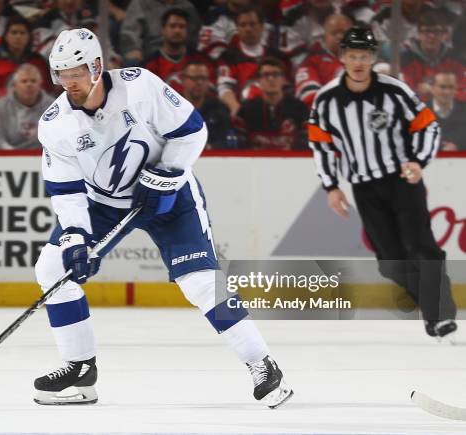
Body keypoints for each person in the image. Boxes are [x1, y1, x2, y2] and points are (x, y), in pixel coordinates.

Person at [34, 28, 293, 407]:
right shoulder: (54, 123)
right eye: (61, 74)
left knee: (201, 281)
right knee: (52, 268)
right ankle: (80, 369)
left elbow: (192, 132)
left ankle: (262, 363)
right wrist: (75, 237)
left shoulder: (140, 87)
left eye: (75, 72)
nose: (69, 82)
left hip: (171, 197)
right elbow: (67, 191)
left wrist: (166, 175)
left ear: (96, 66)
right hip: (103, 204)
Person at [308, 26, 457, 340]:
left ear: (373, 58)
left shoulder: (394, 90)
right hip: (365, 189)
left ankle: (440, 315)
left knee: (422, 248)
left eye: (364, 55)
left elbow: (427, 125)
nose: (359, 62)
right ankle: (431, 305)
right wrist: (331, 186)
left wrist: (418, 161)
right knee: (389, 263)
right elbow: (320, 145)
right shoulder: (327, 100)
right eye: (352, 56)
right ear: (343, 58)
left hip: (402, 180)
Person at [238, 58, 308, 150]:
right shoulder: (246, 109)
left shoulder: (299, 108)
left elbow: (308, 141)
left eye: (275, 74)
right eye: (266, 75)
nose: (271, 79)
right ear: (259, 80)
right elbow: (239, 143)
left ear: (284, 79)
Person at [0, 64, 54, 149]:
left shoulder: (54, 106)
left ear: (40, 84)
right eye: (24, 81)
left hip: (44, 156)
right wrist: (14, 156)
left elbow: (57, 137)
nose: (29, 85)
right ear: (14, 85)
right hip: (8, 158)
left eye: (33, 81)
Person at [295, 13, 352, 108]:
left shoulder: (364, 59)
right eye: (334, 33)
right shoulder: (311, 61)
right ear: (325, 36)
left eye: (343, 32)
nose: (339, 37)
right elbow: (308, 96)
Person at [181, 61, 236, 149]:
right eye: (195, 78)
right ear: (183, 80)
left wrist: (209, 147)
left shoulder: (218, 109)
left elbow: (227, 140)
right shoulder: (173, 107)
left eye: (203, 78)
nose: (199, 83)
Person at [429, 71, 466, 151]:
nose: (447, 92)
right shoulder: (419, 112)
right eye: (442, 87)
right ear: (432, 88)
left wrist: (458, 146)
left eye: (451, 87)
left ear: (456, 89)